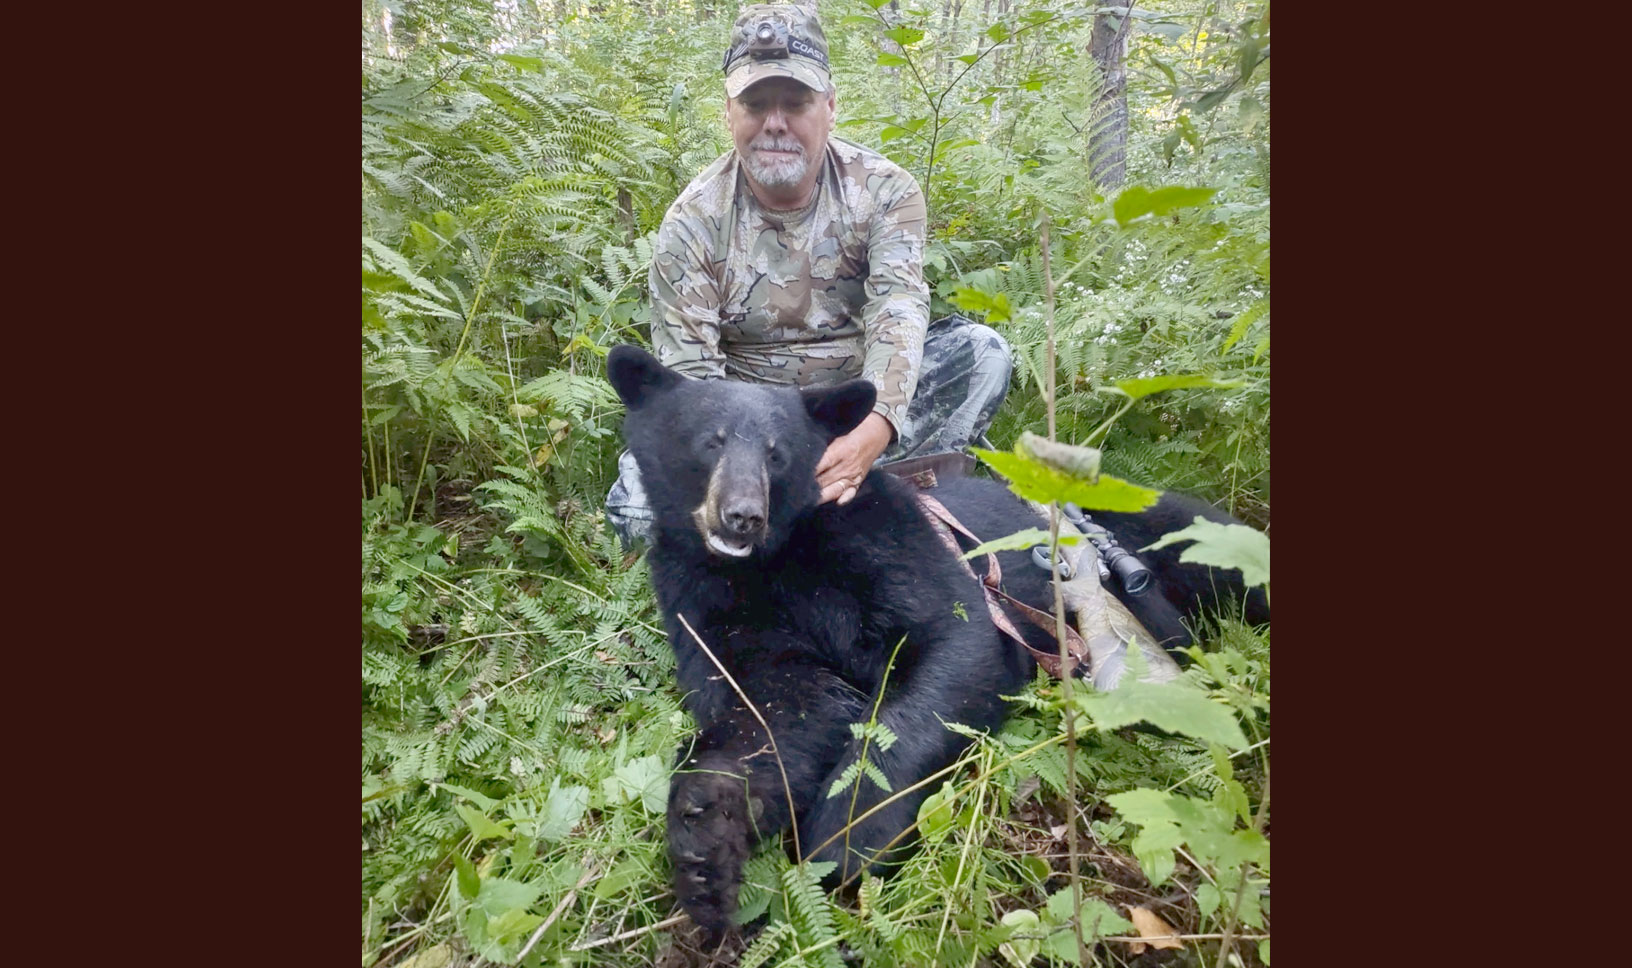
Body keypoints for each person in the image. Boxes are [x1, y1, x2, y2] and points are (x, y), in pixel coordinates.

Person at [605, 2, 1014, 549]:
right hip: (744, 430)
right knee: (635, 510)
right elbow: (694, 388)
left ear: (830, 107)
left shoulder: (885, 191)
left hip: (847, 406)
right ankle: (848, 495)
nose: (774, 123)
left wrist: (875, 428)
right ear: (729, 113)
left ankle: (864, 474)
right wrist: (741, 465)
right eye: (755, 104)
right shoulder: (693, 221)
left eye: (796, 103)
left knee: (983, 353)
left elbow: (897, 312)